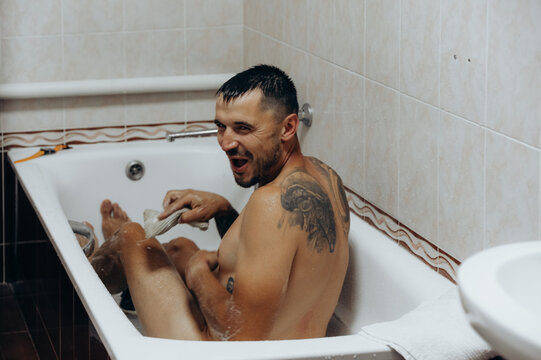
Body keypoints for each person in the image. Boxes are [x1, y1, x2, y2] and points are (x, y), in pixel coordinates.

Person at [90, 64, 350, 341]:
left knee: (133, 236)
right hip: (297, 347)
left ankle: (93, 265)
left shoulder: (271, 204)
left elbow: (241, 338)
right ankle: (126, 283)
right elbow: (271, 252)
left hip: (227, 354)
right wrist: (224, 209)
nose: (226, 143)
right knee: (181, 248)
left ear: (288, 127)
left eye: (243, 128)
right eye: (221, 127)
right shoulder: (324, 176)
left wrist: (196, 273)